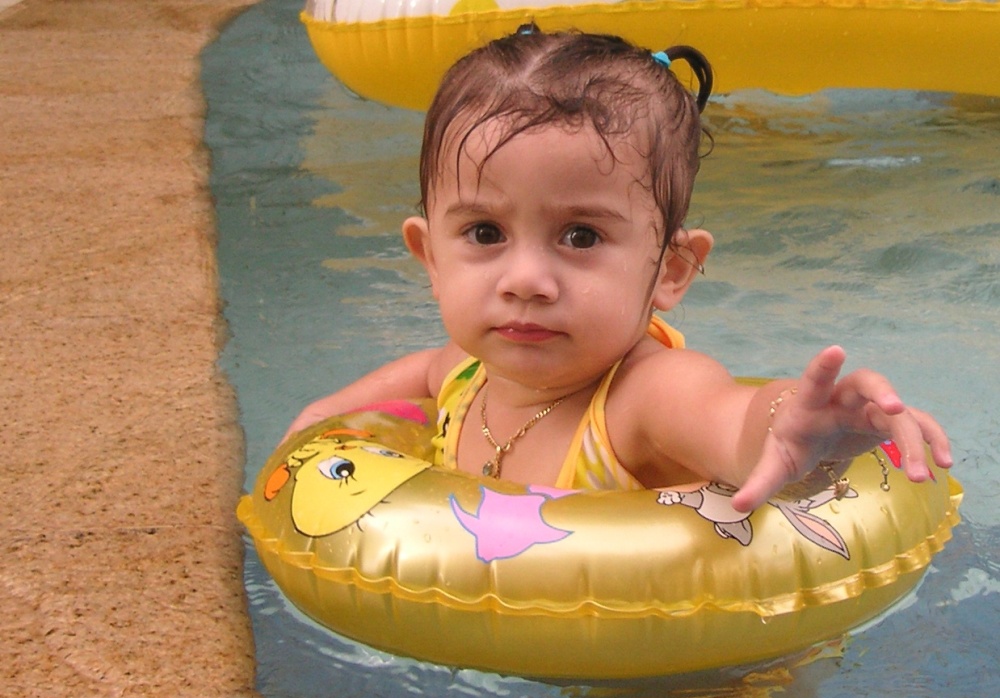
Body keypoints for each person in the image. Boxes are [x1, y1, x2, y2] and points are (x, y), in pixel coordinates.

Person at [286, 26, 951, 512]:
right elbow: (371, 396)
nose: (525, 279)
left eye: (580, 236)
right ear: (430, 256)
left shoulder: (645, 400)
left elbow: (732, 420)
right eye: (484, 232)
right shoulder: (460, 372)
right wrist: (315, 427)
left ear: (672, 271)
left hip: (690, 688)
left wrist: (800, 423)